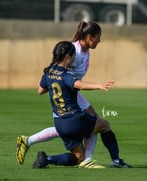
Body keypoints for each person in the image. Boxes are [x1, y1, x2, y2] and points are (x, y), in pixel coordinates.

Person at [16, 21, 105, 168]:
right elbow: (76, 82)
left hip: (64, 106)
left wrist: (52, 82)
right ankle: (89, 160)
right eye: (98, 38)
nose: (99, 41)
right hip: (70, 101)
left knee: (75, 146)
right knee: (97, 123)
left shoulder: (53, 69)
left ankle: (40, 152)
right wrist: (98, 86)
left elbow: (40, 90)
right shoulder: (71, 60)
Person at [32, 41, 131, 168]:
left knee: (79, 157)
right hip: (74, 120)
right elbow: (80, 85)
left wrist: (53, 85)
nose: (75, 59)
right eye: (74, 56)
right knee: (104, 125)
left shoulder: (48, 73)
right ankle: (116, 161)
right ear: (68, 57)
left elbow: (40, 91)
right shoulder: (66, 75)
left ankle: (46, 159)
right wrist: (99, 86)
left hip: (60, 123)